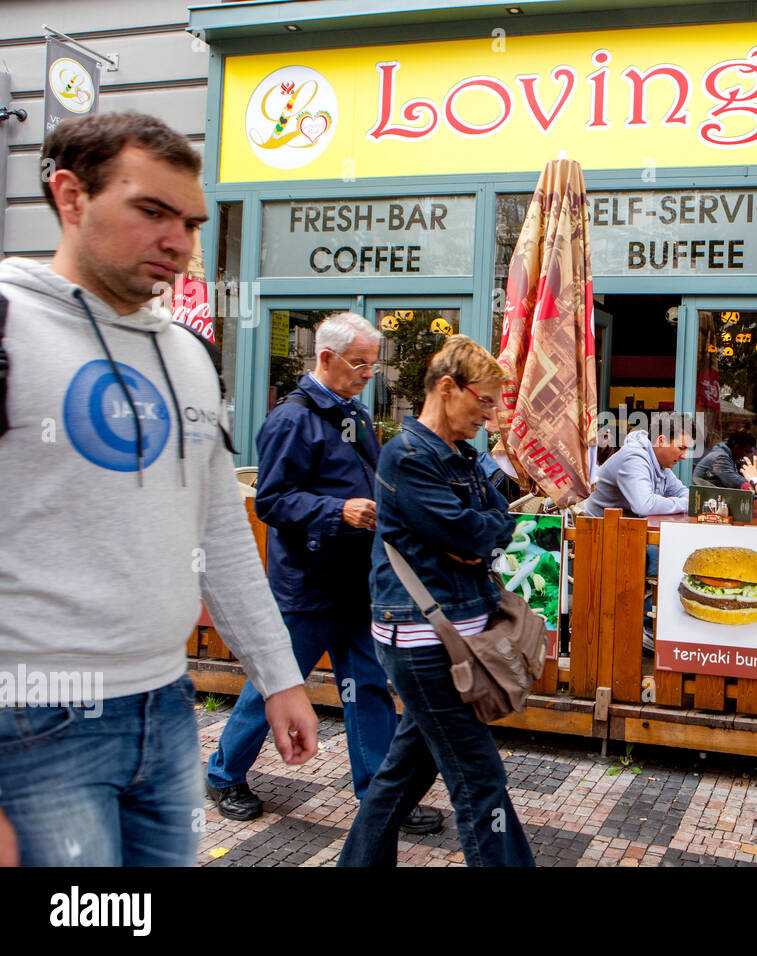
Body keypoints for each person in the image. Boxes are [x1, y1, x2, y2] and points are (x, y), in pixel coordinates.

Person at [0, 112, 316, 866]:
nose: (179, 241)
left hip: (167, 708)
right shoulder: (9, 326)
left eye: (191, 221)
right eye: (152, 211)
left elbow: (220, 532)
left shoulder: (187, 356)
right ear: (70, 196)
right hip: (28, 722)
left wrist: (278, 676)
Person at [205, 313, 441, 835]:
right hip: (308, 586)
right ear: (326, 358)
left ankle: (380, 799)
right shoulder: (290, 420)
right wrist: (340, 512)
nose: (367, 375)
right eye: (360, 364)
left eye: (373, 367)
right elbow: (271, 501)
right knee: (275, 683)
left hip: (358, 582)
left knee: (370, 687)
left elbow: (370, 480)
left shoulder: (350, 412)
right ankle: (223, 774)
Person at [338, 335, 533, 866]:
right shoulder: (406, 456)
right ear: (448, 388)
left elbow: (501, 520)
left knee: (403, 774)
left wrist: (480, 535)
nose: (489, 416)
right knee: (479, 779)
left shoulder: (462, 455)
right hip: (424, 642)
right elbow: (471, 535)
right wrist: (477, 537)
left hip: (453, 637)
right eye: (484, 401)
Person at [584, 413, 692, 650]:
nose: (685, 456)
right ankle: (647, 627)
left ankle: (652, 625)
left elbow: (685, 493)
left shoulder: (659, 462)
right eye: (681, 448)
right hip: (600, 536)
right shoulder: (635, 458)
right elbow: (644, 505)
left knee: (674, 554)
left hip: (628, 533)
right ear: (661, 440)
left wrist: (680, 502)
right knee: (671, 560)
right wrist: (681, 504)